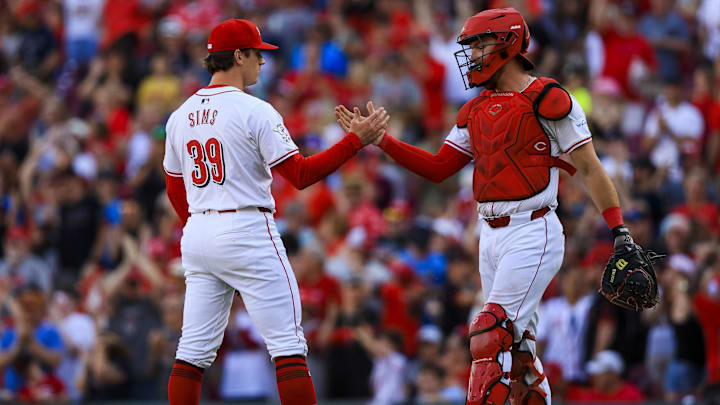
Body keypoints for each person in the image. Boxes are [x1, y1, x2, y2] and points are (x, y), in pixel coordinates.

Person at [336, 7, 642, 405]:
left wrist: (619, 230)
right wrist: (382, 141)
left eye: (479, 44)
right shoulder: (475, 108)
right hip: (489, 236)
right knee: (518, 353)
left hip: (534, 228)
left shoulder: (549, 98)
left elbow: (589, 167)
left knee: (488, 331)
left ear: (508, 44)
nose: (472, 55)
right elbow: (438, 167)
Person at [162, 19, 388, 405]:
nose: (262, 63)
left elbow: (173, 186)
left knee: (193, 353)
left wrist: (199, 228)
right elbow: (299, 175)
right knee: (287, 346)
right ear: (237, 55)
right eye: (257, 54)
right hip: (246, 226)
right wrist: (355, 141)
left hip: (198, 232)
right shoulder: (256, 110)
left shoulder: (180, 115)